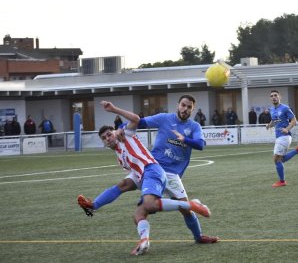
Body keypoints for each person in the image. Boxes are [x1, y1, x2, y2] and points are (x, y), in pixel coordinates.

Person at [78, 95, 218, 245]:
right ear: (178, 105)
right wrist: (120, 128)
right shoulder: (165, 118)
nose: (185, 109)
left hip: (170, 173)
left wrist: (185, 139)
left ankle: (198, 236)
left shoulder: (194, 126)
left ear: (193, 109)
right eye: (183, 105)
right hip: (150, 166)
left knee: (185, 211)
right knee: (127, 190)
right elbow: (141, 122)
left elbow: (200, 144)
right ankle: (96, 207)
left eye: (189, 107)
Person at [265, 90, 298, 187]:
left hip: (285, 136)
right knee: (281, 159)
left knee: (276, 159)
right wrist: (269, 125)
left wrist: (287, 129)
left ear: (279, 97)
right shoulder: (271, 109)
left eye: (275, 95)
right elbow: (274, 120)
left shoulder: (285, 108)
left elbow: (294, 120)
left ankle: (282, 181)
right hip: (278, 137)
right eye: (271, 96)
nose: (273, 97)